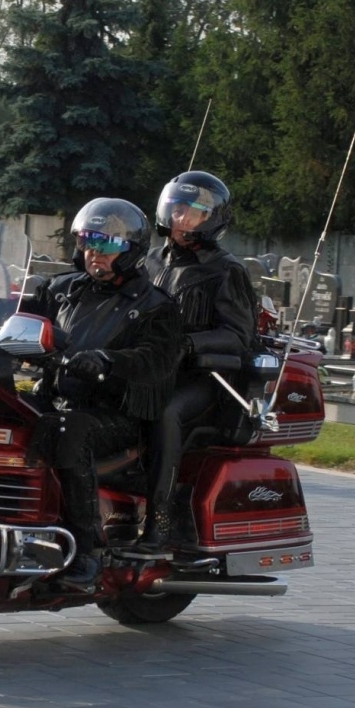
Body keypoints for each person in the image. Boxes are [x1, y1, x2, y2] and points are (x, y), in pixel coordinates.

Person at [20, 199, 181, 589]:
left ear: (131, 252)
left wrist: (108, 362)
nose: (94, 251)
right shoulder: (62, 290)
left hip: (116, 415)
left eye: (106, 244)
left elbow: (156, 360)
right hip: (56, 397)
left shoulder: (155, 308)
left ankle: (88, 554)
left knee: (69, 430)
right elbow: (17, 316)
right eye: (88, 241)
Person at [137, 170, 259, 551]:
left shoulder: (225, 270)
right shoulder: (149, 262)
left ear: (213, 218)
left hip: (204, 379)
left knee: (164, 411)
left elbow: (239, 337)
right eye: (176, 209)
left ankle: (162, 518)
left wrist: (188, 344)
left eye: (193, 212)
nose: (182, 218)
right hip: (148, 369)